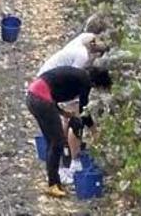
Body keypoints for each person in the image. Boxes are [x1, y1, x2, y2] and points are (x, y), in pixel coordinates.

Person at [27, 66, 112, 198]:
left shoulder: (78, 75)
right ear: (97, 83)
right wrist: (94, 130)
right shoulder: (85, 81)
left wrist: (63, 113)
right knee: (57, 142)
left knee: (52, 142)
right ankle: (53, 184)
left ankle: (54, 182)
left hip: (32, 97)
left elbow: (51, 89)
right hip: (41, 100)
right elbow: (84, 112)